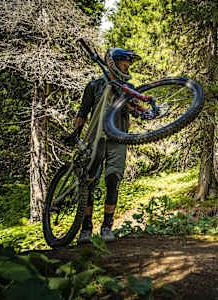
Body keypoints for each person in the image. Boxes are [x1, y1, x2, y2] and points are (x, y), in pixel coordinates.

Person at [71, 47, 139, 243]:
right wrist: (75, 133)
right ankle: (86, 229)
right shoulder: (94, 86)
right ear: (113, 63)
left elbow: (135, 110)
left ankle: (107, 227)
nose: (127, 67)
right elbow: (83, 112)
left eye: (128, 64)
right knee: (88, 182)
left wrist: (134, 107)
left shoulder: (129, 87)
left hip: (118, 139)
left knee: (112, 180)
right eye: (123, 63)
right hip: (95, 138)